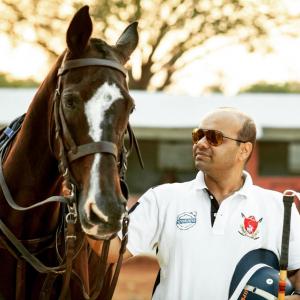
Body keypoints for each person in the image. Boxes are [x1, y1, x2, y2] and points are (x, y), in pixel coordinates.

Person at [88, 107, 300, 300]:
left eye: (214, 138)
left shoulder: (280, 207)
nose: (200, 143)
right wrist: (84, 203)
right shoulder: (163, 198)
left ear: (243, 150)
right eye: (198, 135)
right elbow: (111, 251)